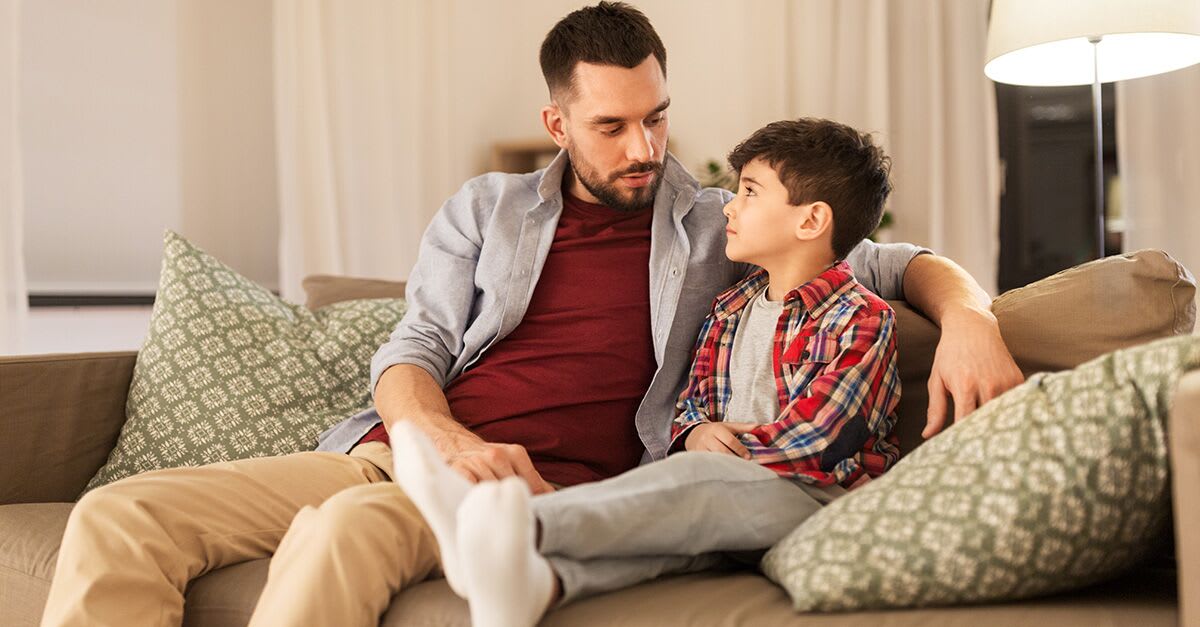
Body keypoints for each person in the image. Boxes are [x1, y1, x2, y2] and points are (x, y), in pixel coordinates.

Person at [39, 3, 1023, 626]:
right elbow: (415, 343)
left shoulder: (719, 222)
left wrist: (972, 317)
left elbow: (885, 260)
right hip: (401, 448)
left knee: (349, 530)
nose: (644, 144)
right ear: (559, 124)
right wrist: (435, 428)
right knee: (126, 513)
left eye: (657, 115)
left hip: (545, 483)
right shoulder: (486, 208)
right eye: (612, 125)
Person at [395, 116, 907, 627]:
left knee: (696, 485)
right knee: (668, 546)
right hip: (726, 502)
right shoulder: (730, 306)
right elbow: (694, 397)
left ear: (811, 221)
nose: (730, 205)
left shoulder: (861, 319)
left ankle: (500, 524)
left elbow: (817, 439)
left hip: (816, 497)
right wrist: (696, 431)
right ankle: (534, 585)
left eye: (750, 193)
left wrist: (719, 459)